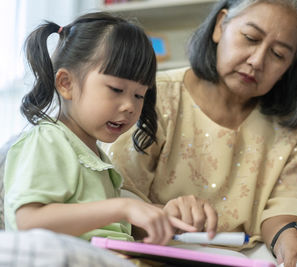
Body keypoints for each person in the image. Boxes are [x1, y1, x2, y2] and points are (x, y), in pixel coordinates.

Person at [105, 0, 297, 266]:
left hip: (255, 248)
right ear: (220, 26)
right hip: (171, 246)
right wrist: (165, 215)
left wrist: (288, 240)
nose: (256, 61)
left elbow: (289, 199)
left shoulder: (293, 121)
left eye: (278, 54)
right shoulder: (154, 96)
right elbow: (120, 192)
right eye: (250, 38)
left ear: (292, 65)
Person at [3, 12, 196, 245]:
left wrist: (162, 219)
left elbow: (106, 229)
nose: (130, 107)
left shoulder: (93, 156)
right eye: (116, 89)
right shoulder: (48, 141)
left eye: (139, 95)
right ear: (66, 84)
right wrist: (122, 207)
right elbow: (27, 221)